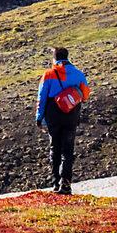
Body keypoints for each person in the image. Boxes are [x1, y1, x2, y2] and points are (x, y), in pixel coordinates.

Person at [35, 46, 90, 194]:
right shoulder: (78, 74)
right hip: (71, 115)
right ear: (67, 56)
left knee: (55, 148)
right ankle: (66, 183)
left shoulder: (48, 74)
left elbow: (42, 97)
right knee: (68, 149)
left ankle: (55, 183)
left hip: (53, 114)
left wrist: (39, 117)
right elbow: (85, 96)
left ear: (54, 58)